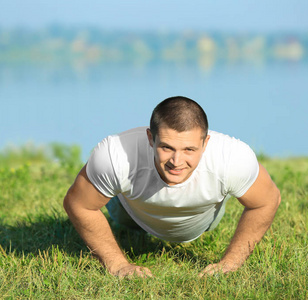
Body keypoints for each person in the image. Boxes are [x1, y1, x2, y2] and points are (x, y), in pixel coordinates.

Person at [63, 96, 280, 278]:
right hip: (130, 213)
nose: (176, 161)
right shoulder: (116, 154)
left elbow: (267, 201)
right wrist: (117, 265)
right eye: (167, 147)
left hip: (202, 220)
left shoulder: (232, 158)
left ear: (206, 143)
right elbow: (78, 204)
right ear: (150, 138)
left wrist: (231, 263)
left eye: (189, 150)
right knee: (111, 197)